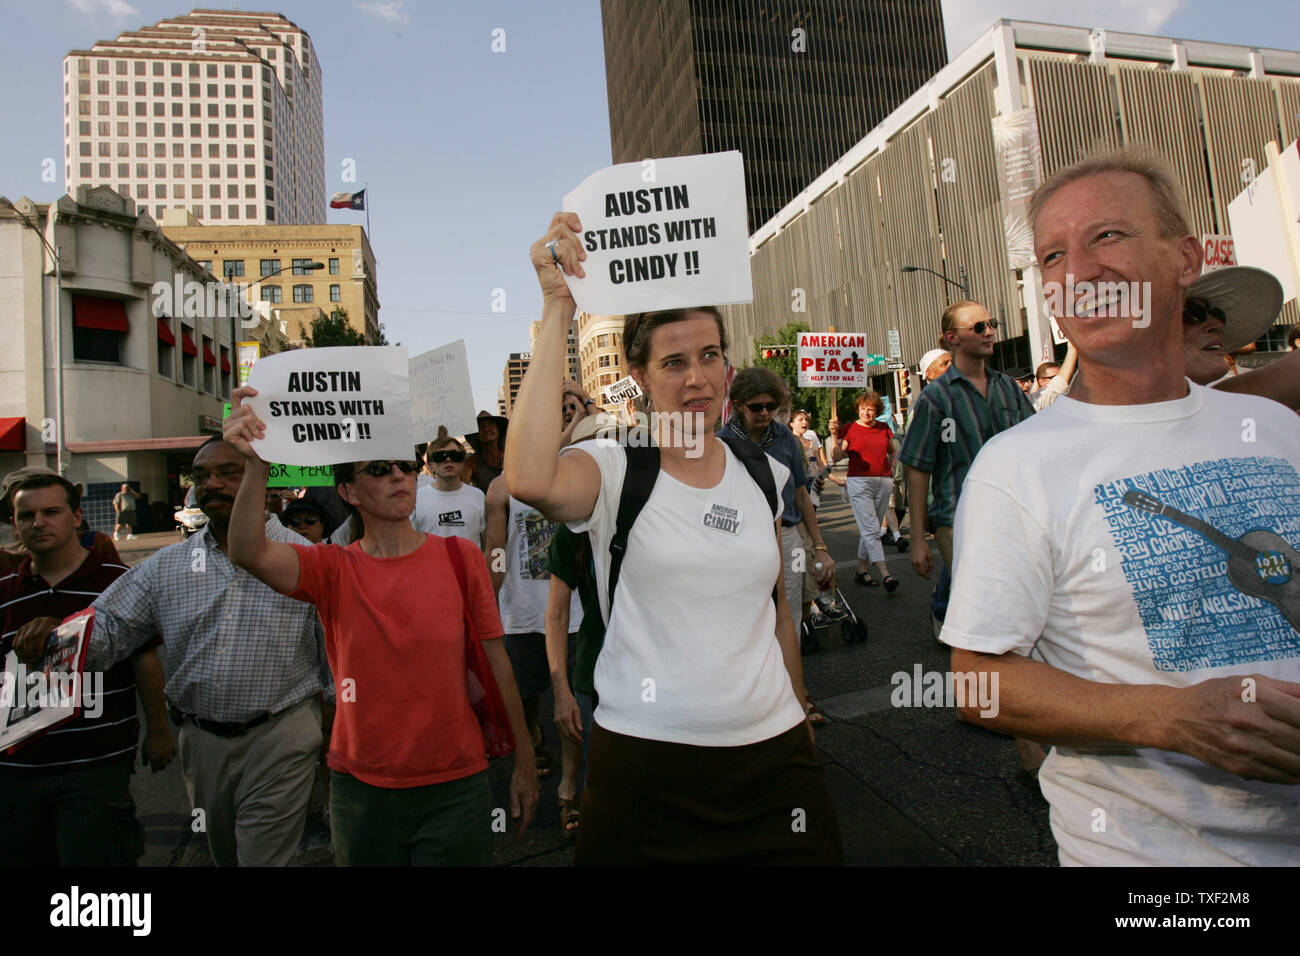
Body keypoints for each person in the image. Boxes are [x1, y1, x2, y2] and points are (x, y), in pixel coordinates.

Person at [942, 146, 1300, 865]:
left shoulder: (1277, 430)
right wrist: (1169, 717)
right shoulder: (1016, 468)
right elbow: (977, 680)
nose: (1076, 271)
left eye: (1107, 235)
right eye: (1051, 255)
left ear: (1185, 259)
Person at [505, 212, 842, 865]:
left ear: (729, 364)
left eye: (710, 356)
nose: (697, 378)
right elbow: (525, 476)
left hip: (774, 763)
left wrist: (799, 712)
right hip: (645, 768)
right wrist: (556, 306)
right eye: (675, 362)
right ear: (640, 373)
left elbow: (773, 607)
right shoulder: (611, 467)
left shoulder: (762, 472)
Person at [220, 397, 539, 865]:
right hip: (360, 789)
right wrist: (256, 466)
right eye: (379, 469)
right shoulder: (331, 568)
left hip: (456, 783)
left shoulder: (461, 558)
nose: (398, 476)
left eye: (406, 466)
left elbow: (497, 662)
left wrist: (526, 763)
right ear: (348, 492)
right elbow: (247, 551)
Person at [22, 437, 338, 867]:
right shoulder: (165, 566)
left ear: (260, 481)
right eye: (201, 475)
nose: (212, 484)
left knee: (263, 858)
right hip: (201, 745)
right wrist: (54, 639)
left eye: (229, 472)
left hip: (282, 736)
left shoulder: (309, 559)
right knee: (224, 852)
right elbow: (110, 628)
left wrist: (338, 745)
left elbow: (335, 663)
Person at [3, 474, 174, 866]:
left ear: (77, 517)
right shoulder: (4, 586)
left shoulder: (117, 582)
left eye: (51, 512)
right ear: (15, 523)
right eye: (26, 515)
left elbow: (144, 660)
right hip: (15, 770)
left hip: (95, 764)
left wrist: (159, 731)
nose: (38, 522)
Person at [485, 385, 587, 782]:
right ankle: (532, 736)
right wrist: (485, 605)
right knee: (526, 693)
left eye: (570, 411)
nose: (563, 416)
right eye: (557, 410)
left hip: (575, 612)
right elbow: (495, 552)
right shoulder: (502, 487)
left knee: (578, 694)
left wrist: (584, 410)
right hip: (524, 613)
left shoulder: (583, 471)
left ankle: (570, 776)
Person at [900, 301, 1034, 584]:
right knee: (981, 605)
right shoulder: (936, 398)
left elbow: (1033, 449)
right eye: (979, 327)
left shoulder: (1008, 387)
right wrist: (918, 539)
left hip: (1016, 518)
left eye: (992, 324)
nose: (989, 332)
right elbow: (918, 468)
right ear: (953, 338)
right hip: (960, 522)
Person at [722, 368, 836, 662]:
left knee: (790, 612)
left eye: (771, 406)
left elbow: (801, 493)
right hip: (741, 541)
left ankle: (792, 687)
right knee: (749, 615)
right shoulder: (721, 443)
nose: (765, 413)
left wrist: (820, 546)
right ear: (737, 404)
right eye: (756, 406)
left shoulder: (785, 436)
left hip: (787, 537)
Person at [828, 391, 901, 592]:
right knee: (871, 529)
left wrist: (892, 467)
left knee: (873, 527)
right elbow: (835, 457)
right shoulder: (849, 428)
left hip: (883, 480)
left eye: (870, 409)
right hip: (859, 481)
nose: (866, 412)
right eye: (862, 408)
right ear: (858, 409)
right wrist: (834, 435)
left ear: (877, 411)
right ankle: (886, 574)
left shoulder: (884, 428)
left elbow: (892, 451)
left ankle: (861, 569)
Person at [463, 411, 508, 493]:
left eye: (491, 424)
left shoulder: (512, 456)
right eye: (480, 426)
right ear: (476, 434)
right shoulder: (472, 463)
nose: (486, 429)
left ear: (498, 429)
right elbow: (461, 490)